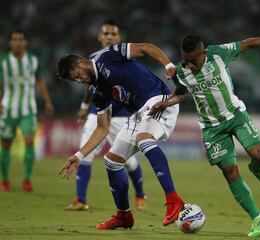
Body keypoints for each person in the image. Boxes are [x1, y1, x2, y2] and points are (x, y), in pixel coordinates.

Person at [149, 35, 260, 237]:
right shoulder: (180, 71)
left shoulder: (218, 53)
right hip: (212, 128)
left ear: (203, 53)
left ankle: (259, 170)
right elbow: (181, 93)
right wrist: (166, 103)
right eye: (185, 60)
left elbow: (247, 43)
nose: (188, 64)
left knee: (258, 155)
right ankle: (257, 218)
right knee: (230, 171)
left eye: (193, 60)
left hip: (235, 115)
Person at [57, 42, 184, 229]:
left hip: (158, 99)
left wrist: (169, 65)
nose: (80, 81)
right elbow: (102, 128)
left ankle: (174, 200)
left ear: (83, 63)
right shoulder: (96, 91)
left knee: (144, 139)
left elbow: (146, 48)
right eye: (75, 81)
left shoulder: (107, 56)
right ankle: (123, 216)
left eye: (77, 76)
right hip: (137, 114)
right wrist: (78, 155)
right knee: (112, 162)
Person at [65, 19, 146, 212]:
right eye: (106, 34)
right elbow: (89, 84)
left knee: (128, 161)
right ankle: (80, 199)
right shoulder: (91, 59)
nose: (110, 37)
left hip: (121, 115)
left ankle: (140, 195)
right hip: (98, 113)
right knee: (85, 153)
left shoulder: (124, 56)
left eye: (113, 34)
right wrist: (85, 105)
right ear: (100, 37)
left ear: (118, 38)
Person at [0, 29, 54, 192]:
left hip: (28, 109)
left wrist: (47, 101)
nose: (17, 42)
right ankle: (5, 180)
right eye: (14, 39)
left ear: (25, 42)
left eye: (20, 39)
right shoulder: (3, 61)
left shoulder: (33, 60)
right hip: (8, 109)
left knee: (29, 141)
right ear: (10, 43)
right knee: (6, 145)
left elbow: (40, 81)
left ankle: (27, 179)